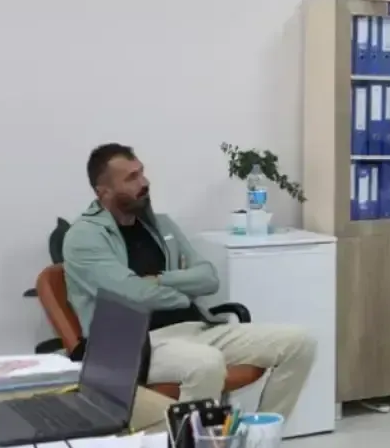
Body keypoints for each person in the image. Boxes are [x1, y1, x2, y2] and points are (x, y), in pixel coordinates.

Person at [63, 143, 317, 418]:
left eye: (142, 173)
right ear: (104, 192)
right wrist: (184, 295)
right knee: (206, 363)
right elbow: (133, 294)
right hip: (138, 344)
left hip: (198, 328)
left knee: (300, 342)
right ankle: (190, 445)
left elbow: (208, 278)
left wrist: (160, 279)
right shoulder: (84, 237)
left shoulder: (161, 225)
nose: (144, 183)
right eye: (131, 178)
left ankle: (263, 436)